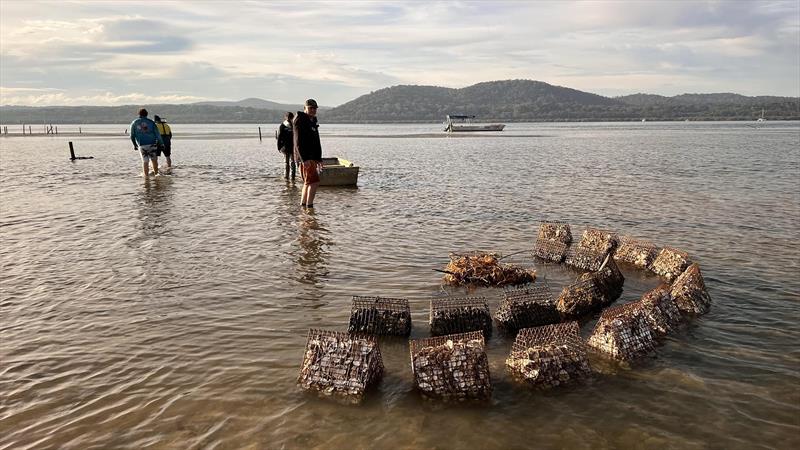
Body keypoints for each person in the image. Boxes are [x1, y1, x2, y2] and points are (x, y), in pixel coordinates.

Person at [293, 99, 323, 208]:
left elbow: (317, 140)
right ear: (305, 108)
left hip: (312, 157)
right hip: (306, 157)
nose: (313, 110)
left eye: (315, 108)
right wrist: (303, 159)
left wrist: (319, 158)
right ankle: (309, 207)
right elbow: (297, 142)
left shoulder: (313, 120)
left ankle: (304, 206)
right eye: (310, 108)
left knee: (308, 182)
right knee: (314, 182)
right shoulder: (300, 120)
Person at [130, 108, 164, 176]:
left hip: (142, 145)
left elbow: (132, 135)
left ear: (139, 114)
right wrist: (162, 143)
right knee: (154, 160)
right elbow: (157, 134)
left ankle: (146, 177)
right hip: (152, 144)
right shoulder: (151, 122)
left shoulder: (134, 123)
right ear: (147, 114)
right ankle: (156, 174)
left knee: (145, 161)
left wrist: (134, 145)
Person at [276, 112, 295, 180]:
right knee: (287, 162)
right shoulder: (283, 125)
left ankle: (292, 177)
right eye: (288, 118)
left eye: (291, 118)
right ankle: (287, 177)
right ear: (286, 117)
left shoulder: (294, 125)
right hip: (285, 147)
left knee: (292, 162)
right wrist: (279, 147)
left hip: (292, 147)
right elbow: (279, 137)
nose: (290, 119)